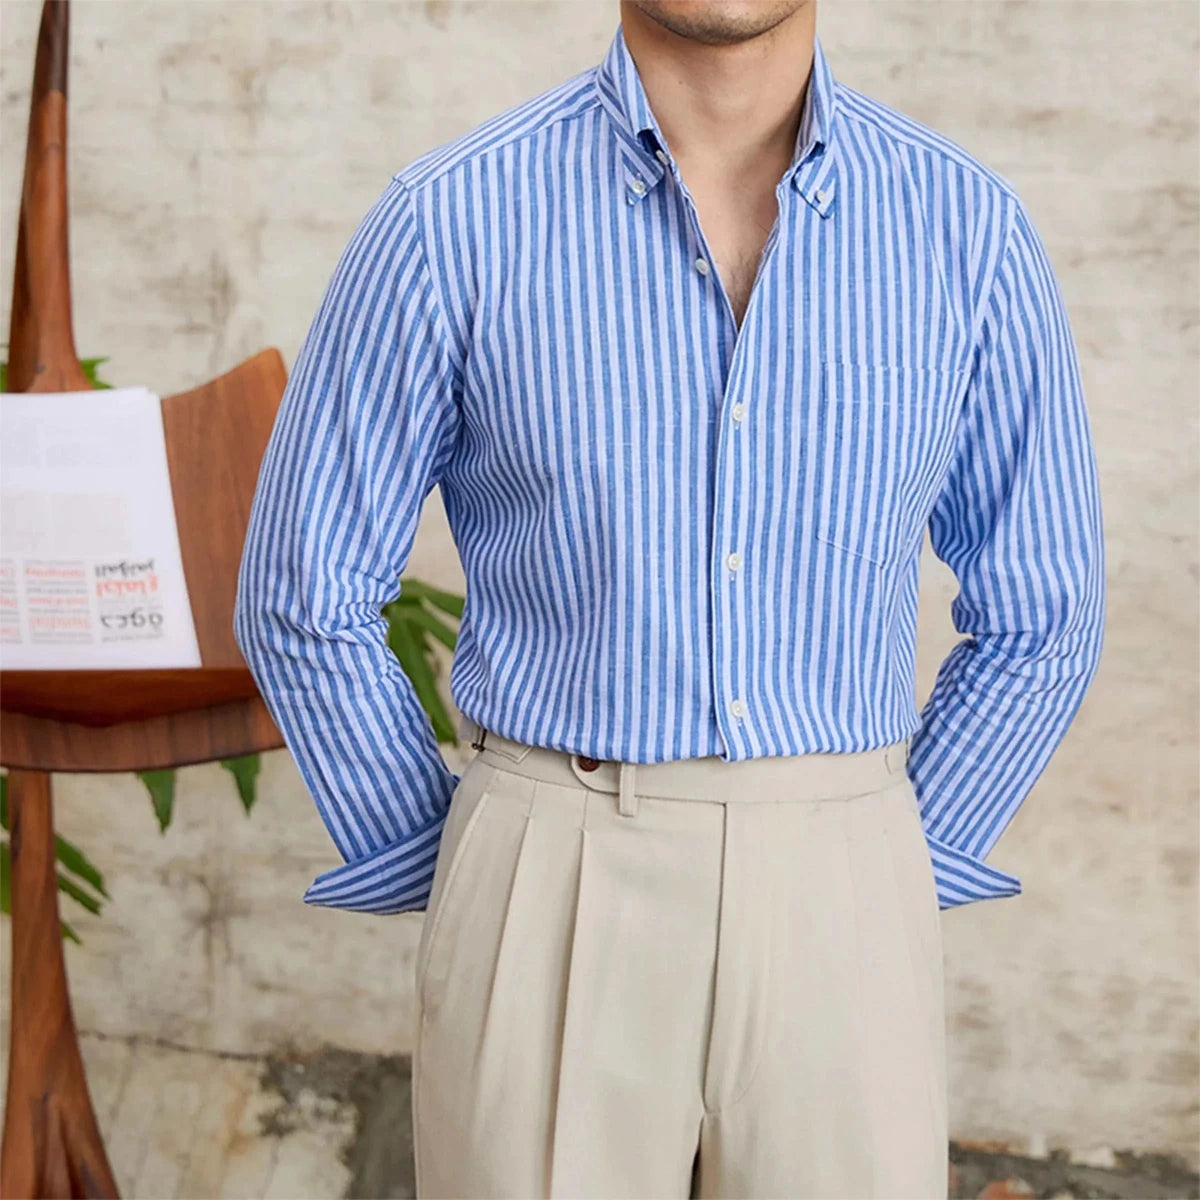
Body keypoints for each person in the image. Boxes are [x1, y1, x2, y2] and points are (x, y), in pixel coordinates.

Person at [233, 1, 1106, 1196]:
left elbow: (1042, 611)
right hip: (552, 866)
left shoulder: (966, 229)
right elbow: (305, 588)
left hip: (847, 879)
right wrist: (459, 860)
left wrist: (902, 853)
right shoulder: (450, 219)